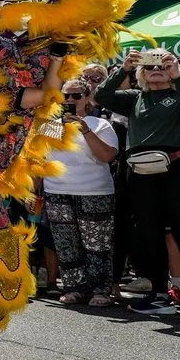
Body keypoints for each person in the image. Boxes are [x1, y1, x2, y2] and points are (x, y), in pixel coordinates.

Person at [95, 49, 180, 322]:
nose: (156, 68)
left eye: (163, 62)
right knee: (149, 234)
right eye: (149, 64)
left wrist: (178, 77)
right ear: (141, 71)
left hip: (179, 168)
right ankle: (160, 295)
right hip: (141, 170)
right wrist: (122, 70)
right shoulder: (134, 98)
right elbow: (101, 96)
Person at [36, 80, 118, 306]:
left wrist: (85, 129)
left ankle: (101, 290)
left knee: (97, 244)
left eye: (77, 96)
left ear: (87, 97)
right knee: (66, 244)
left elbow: (107, 156)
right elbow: (38, 161)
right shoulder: (49, 126)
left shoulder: (100, 124)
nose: (71, 101)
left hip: (94, 192)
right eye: (66, 96)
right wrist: (33, 191)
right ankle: (74, 288)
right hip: (56, 191)